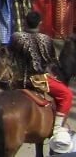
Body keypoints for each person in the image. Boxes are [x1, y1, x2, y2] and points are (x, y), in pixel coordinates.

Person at [8, 10, 73, 149]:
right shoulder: (46, 39)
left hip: (17, 79)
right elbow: (51, 62)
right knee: (67, 94)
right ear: (40, 23)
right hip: (38, 79)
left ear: (25, 22)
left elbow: (10, 56)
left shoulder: (15, 37)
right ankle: (56, 129)